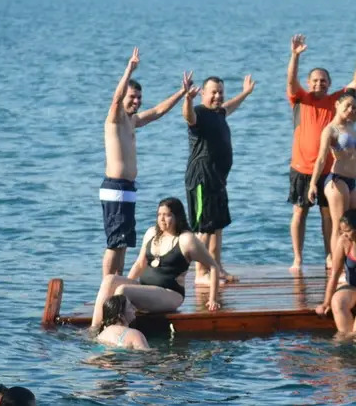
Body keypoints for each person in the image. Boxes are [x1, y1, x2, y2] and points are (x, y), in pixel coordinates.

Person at [101, 47, 190, 277]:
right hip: (115, 188)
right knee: (114, 242)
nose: (137, 101)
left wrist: (182, 92)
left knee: (123, 242)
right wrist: (129, 69)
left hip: (127, 188)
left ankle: (116, 283)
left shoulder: (133, 121)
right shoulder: (115, 118)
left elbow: (159, 111)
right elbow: (116, 98)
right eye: (132, 97)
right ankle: (106, 285)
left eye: (139, 97)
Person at [286, 34, 356, 272]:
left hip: (328, 171)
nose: (319, 84)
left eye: (323, 81)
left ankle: (330, 257)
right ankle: (297, 258)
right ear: (309, 82)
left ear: (329, 84)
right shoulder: (300, 99)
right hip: (301, 167)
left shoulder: (335, 101)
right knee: (299, 212)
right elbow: (291, 80)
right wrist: (295, 56)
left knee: (328, 216)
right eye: (315, 80)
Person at [91, 197, 222, 329]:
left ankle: (114, 330)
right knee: (109, 280)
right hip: (146, 288)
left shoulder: (186, 239)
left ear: (178, 217)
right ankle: (95, 328)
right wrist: (128, 282)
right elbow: (139, 264)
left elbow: (213, 266)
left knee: (122, 290)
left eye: (167, 215)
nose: (162, 219)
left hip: (170, 294)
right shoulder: (151, 233)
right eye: (159, 215)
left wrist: (212, 299)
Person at [308, 62, 356, 256]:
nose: (351, 110)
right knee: (339, 227)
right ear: (337, 105)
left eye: (353, 107)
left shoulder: (352, 122)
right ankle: (336, 264)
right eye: (347, 106)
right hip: (337, 181)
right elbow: (321, 159)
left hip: (351, 183)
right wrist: (312, 184)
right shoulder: (331, 130)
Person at [183, 72, 254, 286]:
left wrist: (245, 93)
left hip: (218, 179)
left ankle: (216, 268)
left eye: (220, 92)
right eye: (213, 92)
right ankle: (200, 273)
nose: (217, 96)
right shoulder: (198, 112)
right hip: (201, 179)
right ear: (203, 94)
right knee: (204, 228)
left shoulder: (219, 113)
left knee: (217, 226)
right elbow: (188, 117)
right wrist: (187, 99)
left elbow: (229, 106)